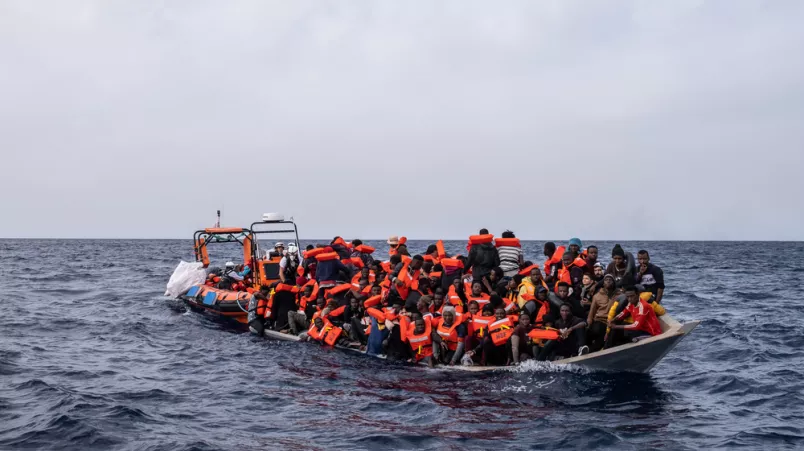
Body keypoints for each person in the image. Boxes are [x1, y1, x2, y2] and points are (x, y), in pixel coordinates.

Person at [586, 274, 616, 351]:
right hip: (600, 320)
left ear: (614, 282)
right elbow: (592, 311)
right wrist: (589, 323)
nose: (608, 281)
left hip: (613, 321)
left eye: (610, 279)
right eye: (606, 280)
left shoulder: (619, 295)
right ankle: (588, 349)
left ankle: (595, 349)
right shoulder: (597, 296)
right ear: (603, 283)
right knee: (597, 329)